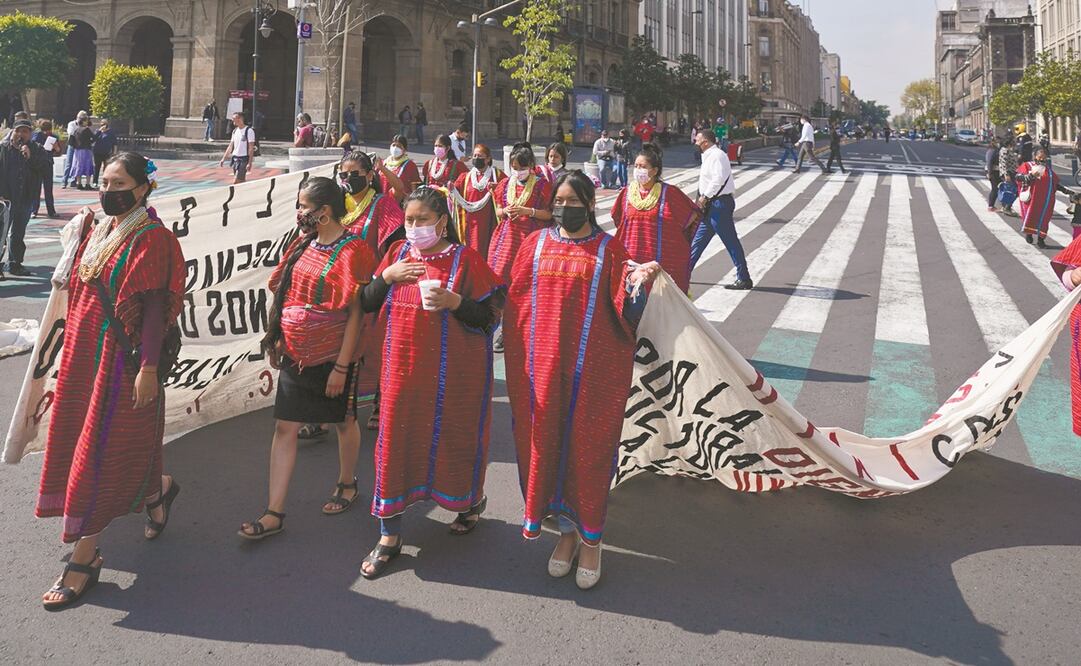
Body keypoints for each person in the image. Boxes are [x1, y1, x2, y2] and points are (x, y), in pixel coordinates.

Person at [37, 152, 186, 610]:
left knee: (99, 451)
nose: (108, 190)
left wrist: (147, 369)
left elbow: (156, 307)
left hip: (121, 362)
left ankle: (85, 557)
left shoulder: (153, 238)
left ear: (143, 188)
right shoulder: (99, 229)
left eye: (118, 183)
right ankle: (158, 490)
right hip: (83, 356)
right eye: (104, 181)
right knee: (101, 439)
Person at [504, 170, 660, 590]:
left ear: (591, 205)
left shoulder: (609, 250)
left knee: (587, 453)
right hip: (542, 374)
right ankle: (566, 535)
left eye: (573, 202)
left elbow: (627, 311)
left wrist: (639, 283)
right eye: (558, 201)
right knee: (547, 449)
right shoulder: (534, 244)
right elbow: (516, 303)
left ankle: (592, 541)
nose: (564, 208)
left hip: (591, 376)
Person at [356, 186, 505, 579]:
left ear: (442, 221)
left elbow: (488, 317)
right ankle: (389, 535)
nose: (414, 226)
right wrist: (386, 276)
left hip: (452, 379)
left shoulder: (465, 259)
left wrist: (456, 303)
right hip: (400, 376)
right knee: (395, 445)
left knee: (455, 440)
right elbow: (367, 301)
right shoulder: (396, 254)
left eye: (422, 220)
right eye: (409, 219)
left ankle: (469, 504)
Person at [238, 176, 378, 541]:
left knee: (344, 421)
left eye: (303, 206)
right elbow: (283, 293)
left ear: (325, 212)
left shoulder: (354, 251)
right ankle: (274, 512)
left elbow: (356, 315)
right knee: (285, 427)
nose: (299, 212)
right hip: (294, 355)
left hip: (334, 359)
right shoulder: (303, 244)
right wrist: (277, 338)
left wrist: (342, 367)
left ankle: (347, 483)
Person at [335, 150, 406, 434]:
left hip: (373, 290)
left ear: (369, 175)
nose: (349, 179)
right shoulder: (336, 203)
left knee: (374, 348)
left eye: (355, 174)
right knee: (335, 348)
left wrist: (383, 278)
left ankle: (379, 402)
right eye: (344, 174)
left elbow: (397, 246)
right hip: (339, 290)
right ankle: (325, 410)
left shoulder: (383, 204)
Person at [489, 143, 554, 352]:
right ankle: (504, 329)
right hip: (506, 243)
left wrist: (528, 211)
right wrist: (505, 211)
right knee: (502, 285)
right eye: (514, 167)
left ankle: (527, 329)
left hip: (529, 242)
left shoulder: (542, 186)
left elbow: (549, 214)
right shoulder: (505, 184)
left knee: (526, 286)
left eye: (522, 167)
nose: (518, 172)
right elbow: (497, 210)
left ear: (531, 165)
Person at [611, 143, 701, 293]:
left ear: (654, 171)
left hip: (658, 258)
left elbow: (691, 216)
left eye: (642, 166)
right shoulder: (626, 193)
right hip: (632, 256)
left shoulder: (669, 193)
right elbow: (618, 220)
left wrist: (671, 235)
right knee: (631, 297)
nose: (638, 169)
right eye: (636, 166)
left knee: (657, 299)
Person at [690, 129, 752, 290]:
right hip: (711, 205)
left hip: (719, 204)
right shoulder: (708, 156)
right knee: (698, 242)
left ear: (705, 142)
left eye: (697, 140)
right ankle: (682, 273)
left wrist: (705, 197)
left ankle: (744, 277)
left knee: (731, 242)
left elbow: (719, 179)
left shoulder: (717, 156)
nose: (695, 142)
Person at [0, 119, 51, 277]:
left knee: (18, 233)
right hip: (6, 198)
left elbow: (46, 168)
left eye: (25, 131)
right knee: (1, 233)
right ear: (13, 132)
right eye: (18, 131)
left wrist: (30, 157)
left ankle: (15, 263)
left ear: (30, 134)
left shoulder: (37, 149)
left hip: (26, 197)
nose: (21, 134)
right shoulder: (3, 148)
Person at [451, 142, 506, 259]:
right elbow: (453, 194)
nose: (476, 158)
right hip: (470, 222)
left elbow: (508, 190)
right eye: (475, 156)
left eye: (480, 156)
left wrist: (497, 188)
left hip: (489, 222)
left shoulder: (497, 175)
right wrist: (450, 189)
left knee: (488, 250)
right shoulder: (465, 177)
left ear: (488, 159)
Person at [1016, 145, 1070, 248]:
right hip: (1031, 200)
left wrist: (1067, 191)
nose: (1042, 159)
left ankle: (1041, 240)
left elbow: (1055, 184)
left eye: (1044, 158)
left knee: (1044, 220)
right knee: (1031, 217)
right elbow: (1018, 177)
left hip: (1045, 202)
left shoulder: (1048, 170)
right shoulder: (1027, 165)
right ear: (1035, 156)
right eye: (1040, 157)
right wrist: (1031, 176)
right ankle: (1029, 233)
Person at [31, 119, 60, 219]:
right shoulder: (37, 135)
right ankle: (34, 210)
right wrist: (42, 147)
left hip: (48, 163)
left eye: (49, 130)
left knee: (48, 189)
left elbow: (58, 151)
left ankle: (51, 211)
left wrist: (56, 147)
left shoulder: (53, 137)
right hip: (38, 165)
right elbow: (33, 147)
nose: (47, 132)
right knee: (36, 188)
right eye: (46, 130)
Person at [218, 112, 256, 184]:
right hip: (235, 158)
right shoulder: (235, 131)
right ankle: (245, 190)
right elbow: (230, 146)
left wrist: (249, 163)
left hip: (243, 159)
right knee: (241, 181)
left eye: (234, 118)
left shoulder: (249, 131)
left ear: (240, 119)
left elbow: (251, 148)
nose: (232, 120)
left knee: (236, 181)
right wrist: (223, 158)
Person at [383, 134, 422, 203]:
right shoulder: (384, 163)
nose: (395, 148)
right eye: (393, 145)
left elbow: (415, 188)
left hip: (401, 203)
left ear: (404, 149)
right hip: (383, 202)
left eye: (399, 146)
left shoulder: (410, 165)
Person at [62, 110, 88, 189]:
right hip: (72, 145)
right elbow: (71, 133)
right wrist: (80, 129)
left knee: (77, 164)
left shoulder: (85, 126)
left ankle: (74, 181)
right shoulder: (72, 124)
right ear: (78, 117)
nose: (82, 120)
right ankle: (64, 181)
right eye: (81, 118)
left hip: (80, 146)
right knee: (69, 163)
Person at [68, 118, 96, 190]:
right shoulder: (87, 130)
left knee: (78, 166)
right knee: (88, 166)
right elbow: (94, 138)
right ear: (83, 122)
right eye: (86, 121)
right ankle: (87, 184)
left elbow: (71, 141)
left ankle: (79, 183)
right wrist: (91, 141)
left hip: (77, 151)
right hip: (86, 150)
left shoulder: (76, 130)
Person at [999, 134, 1020, 216]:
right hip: (1009, 173)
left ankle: (1006, 207)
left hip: (1012, 172)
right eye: (1013, 141)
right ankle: (1007, 207)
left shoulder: (1008, 150)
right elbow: (1003, 163)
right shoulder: (1005, 150)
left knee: (1011, 190)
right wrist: (1006, 174)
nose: (1014, 142)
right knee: (1014, 191)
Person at [92, 121, 118, 189]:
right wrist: (99, 131)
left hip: (106, 153)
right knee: (97, 167)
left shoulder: (110, 132)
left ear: (107, 125)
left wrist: (114, 152)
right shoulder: (98, 131)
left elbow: (115, 143)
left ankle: (105, 182)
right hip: (97, 152)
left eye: (104, 124)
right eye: (101, 124)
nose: (102, 126)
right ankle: (95, 182)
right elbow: (93, 139)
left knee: (106, 168)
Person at [986, 137, 1002, 212]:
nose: (999, 143)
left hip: (997, 171)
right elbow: (989, 162)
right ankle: (990, 206)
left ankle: (993, 205)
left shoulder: (996, 150)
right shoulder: (992, 150)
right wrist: (989, 173)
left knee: (997, 188)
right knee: (995, 189)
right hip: (993, 172)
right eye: (998, 142)